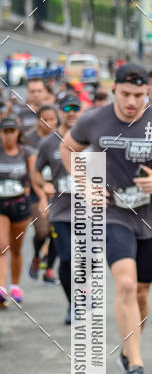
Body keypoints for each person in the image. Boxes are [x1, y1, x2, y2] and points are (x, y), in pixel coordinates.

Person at [61, 63, 152, 374]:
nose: (132, 102)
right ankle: (136, 364)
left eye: (139, 95)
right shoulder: (93, 120)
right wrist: (84, 182)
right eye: (126, 94)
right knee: (124, 283)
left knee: (140, 291)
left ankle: (129, 347)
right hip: (111, 215)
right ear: (114, 90)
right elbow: (67, 147)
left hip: (148, 217)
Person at [32, 96, 82, 324]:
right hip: (61, 213)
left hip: (90, 212)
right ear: (60, 111)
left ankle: (82, 294)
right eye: (67, 108)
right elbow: (35, 172)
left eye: (76, 108)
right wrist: (44, 185)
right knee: (67, 258)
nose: (71, 112)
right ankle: (73, 304)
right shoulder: (49, 143)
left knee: (88, 260)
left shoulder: (91, 139)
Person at [0, 117, 43, 306]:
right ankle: (1, 289)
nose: (9, 136)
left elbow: (35, 180)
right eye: (5, 132)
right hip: (1, 205)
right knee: (2, 246)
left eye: (12, 131)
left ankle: (15, 285)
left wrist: (42, 198)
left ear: (18, 133)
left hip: (20, 205)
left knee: (15, 248)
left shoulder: (27, 153)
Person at [25, 104, 60, 282]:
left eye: (53, 119)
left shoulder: (63, 139)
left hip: (58, 193)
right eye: (45, 119)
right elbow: (32, 173)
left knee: (58, 231)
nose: (49, 123)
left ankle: (49, 269)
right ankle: (37, 256)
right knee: (43, 231)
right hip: (36, 191)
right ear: (38, 120)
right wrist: (41, 198)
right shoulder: (30, 140)